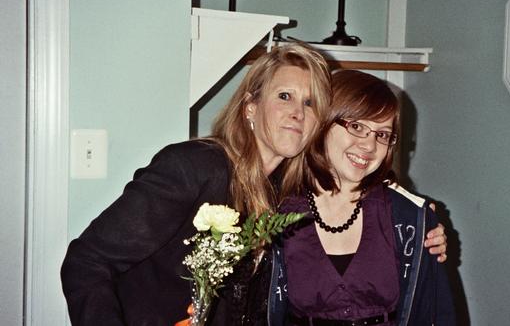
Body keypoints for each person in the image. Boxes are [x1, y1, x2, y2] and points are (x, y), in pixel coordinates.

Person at [61, 44, 448, 326]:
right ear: (250, 107)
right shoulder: (192, 167)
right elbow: (86, 262)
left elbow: (358, 178)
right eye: (285, 97)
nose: (298, 112)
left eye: (311, 104)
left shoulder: (290, 193)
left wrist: (423, 222)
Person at [269, 70, 455, 325]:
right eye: (356, 126)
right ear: (323, 123)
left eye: (382, 134)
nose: (369, 146)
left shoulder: (410, 220)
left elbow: (435, 314)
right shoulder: (272, 211)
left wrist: (427, 222)